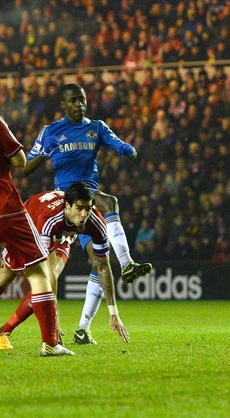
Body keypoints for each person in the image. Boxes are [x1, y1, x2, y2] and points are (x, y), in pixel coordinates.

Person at [23, 83, 151, 345]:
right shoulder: (51, 132)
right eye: (74, 100)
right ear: (64, 104)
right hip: (66, 201)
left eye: (82, 100)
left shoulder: (97, 127)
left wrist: (128, 150)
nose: (80, 104)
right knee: (110, 202)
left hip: (89, 196)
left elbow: (117, 143)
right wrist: (44, 152)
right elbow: (25, 168)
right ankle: (126, 263)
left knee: (98, 261)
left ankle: (82, 328)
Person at [0, 181, 130, 349]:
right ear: (68, 206)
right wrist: (55, 322)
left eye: (88, 209)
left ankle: (4, 331)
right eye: (79, 208)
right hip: (30, 224)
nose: (84, 214)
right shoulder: (48, 218)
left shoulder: (96, 223)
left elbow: (103, 266)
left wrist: (114, 313)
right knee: (5, 280)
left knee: (45, 281)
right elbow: (48, 275)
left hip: (62, 234)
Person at [0, 115, 73, 356]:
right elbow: (20, 160)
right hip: (6, 208)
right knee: (39, 271)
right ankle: (50, 344)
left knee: (6, 275)